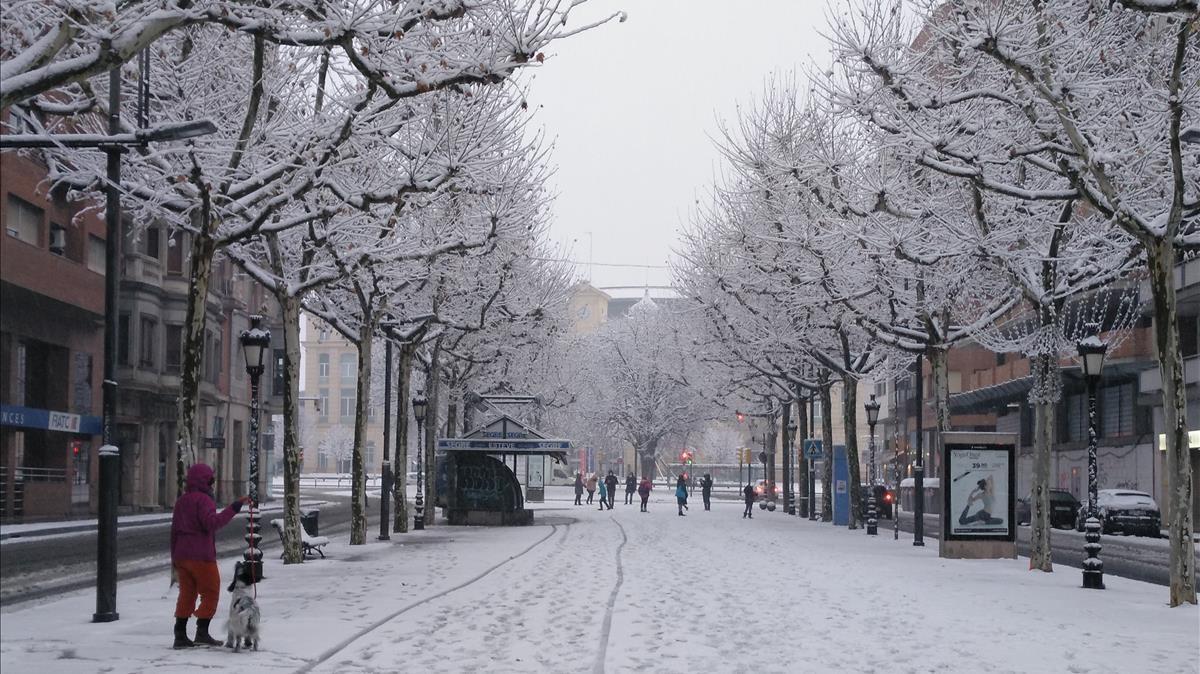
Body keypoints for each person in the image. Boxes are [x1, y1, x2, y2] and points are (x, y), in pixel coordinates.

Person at [171, 463, 250, 649]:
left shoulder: (182, 500)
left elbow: (174, 530)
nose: (212, 484)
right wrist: (235, 507)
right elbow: (212, 523)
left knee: (186, 594)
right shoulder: (204, 500)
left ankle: (180, 634)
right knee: (211, 592)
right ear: (205, 481)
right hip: (201, 555)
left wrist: (174, 556)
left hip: (182, 555)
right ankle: (202, 631)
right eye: (211, 480)